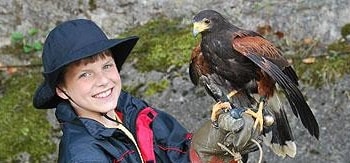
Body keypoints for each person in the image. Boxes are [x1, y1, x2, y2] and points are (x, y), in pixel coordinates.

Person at [33, 19, 261, 163]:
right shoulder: (83, 155)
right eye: (85, 74)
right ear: (62, 90)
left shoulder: (137, 114)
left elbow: (179, 154)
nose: (103, 80)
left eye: (106, 66)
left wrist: (215, 150)